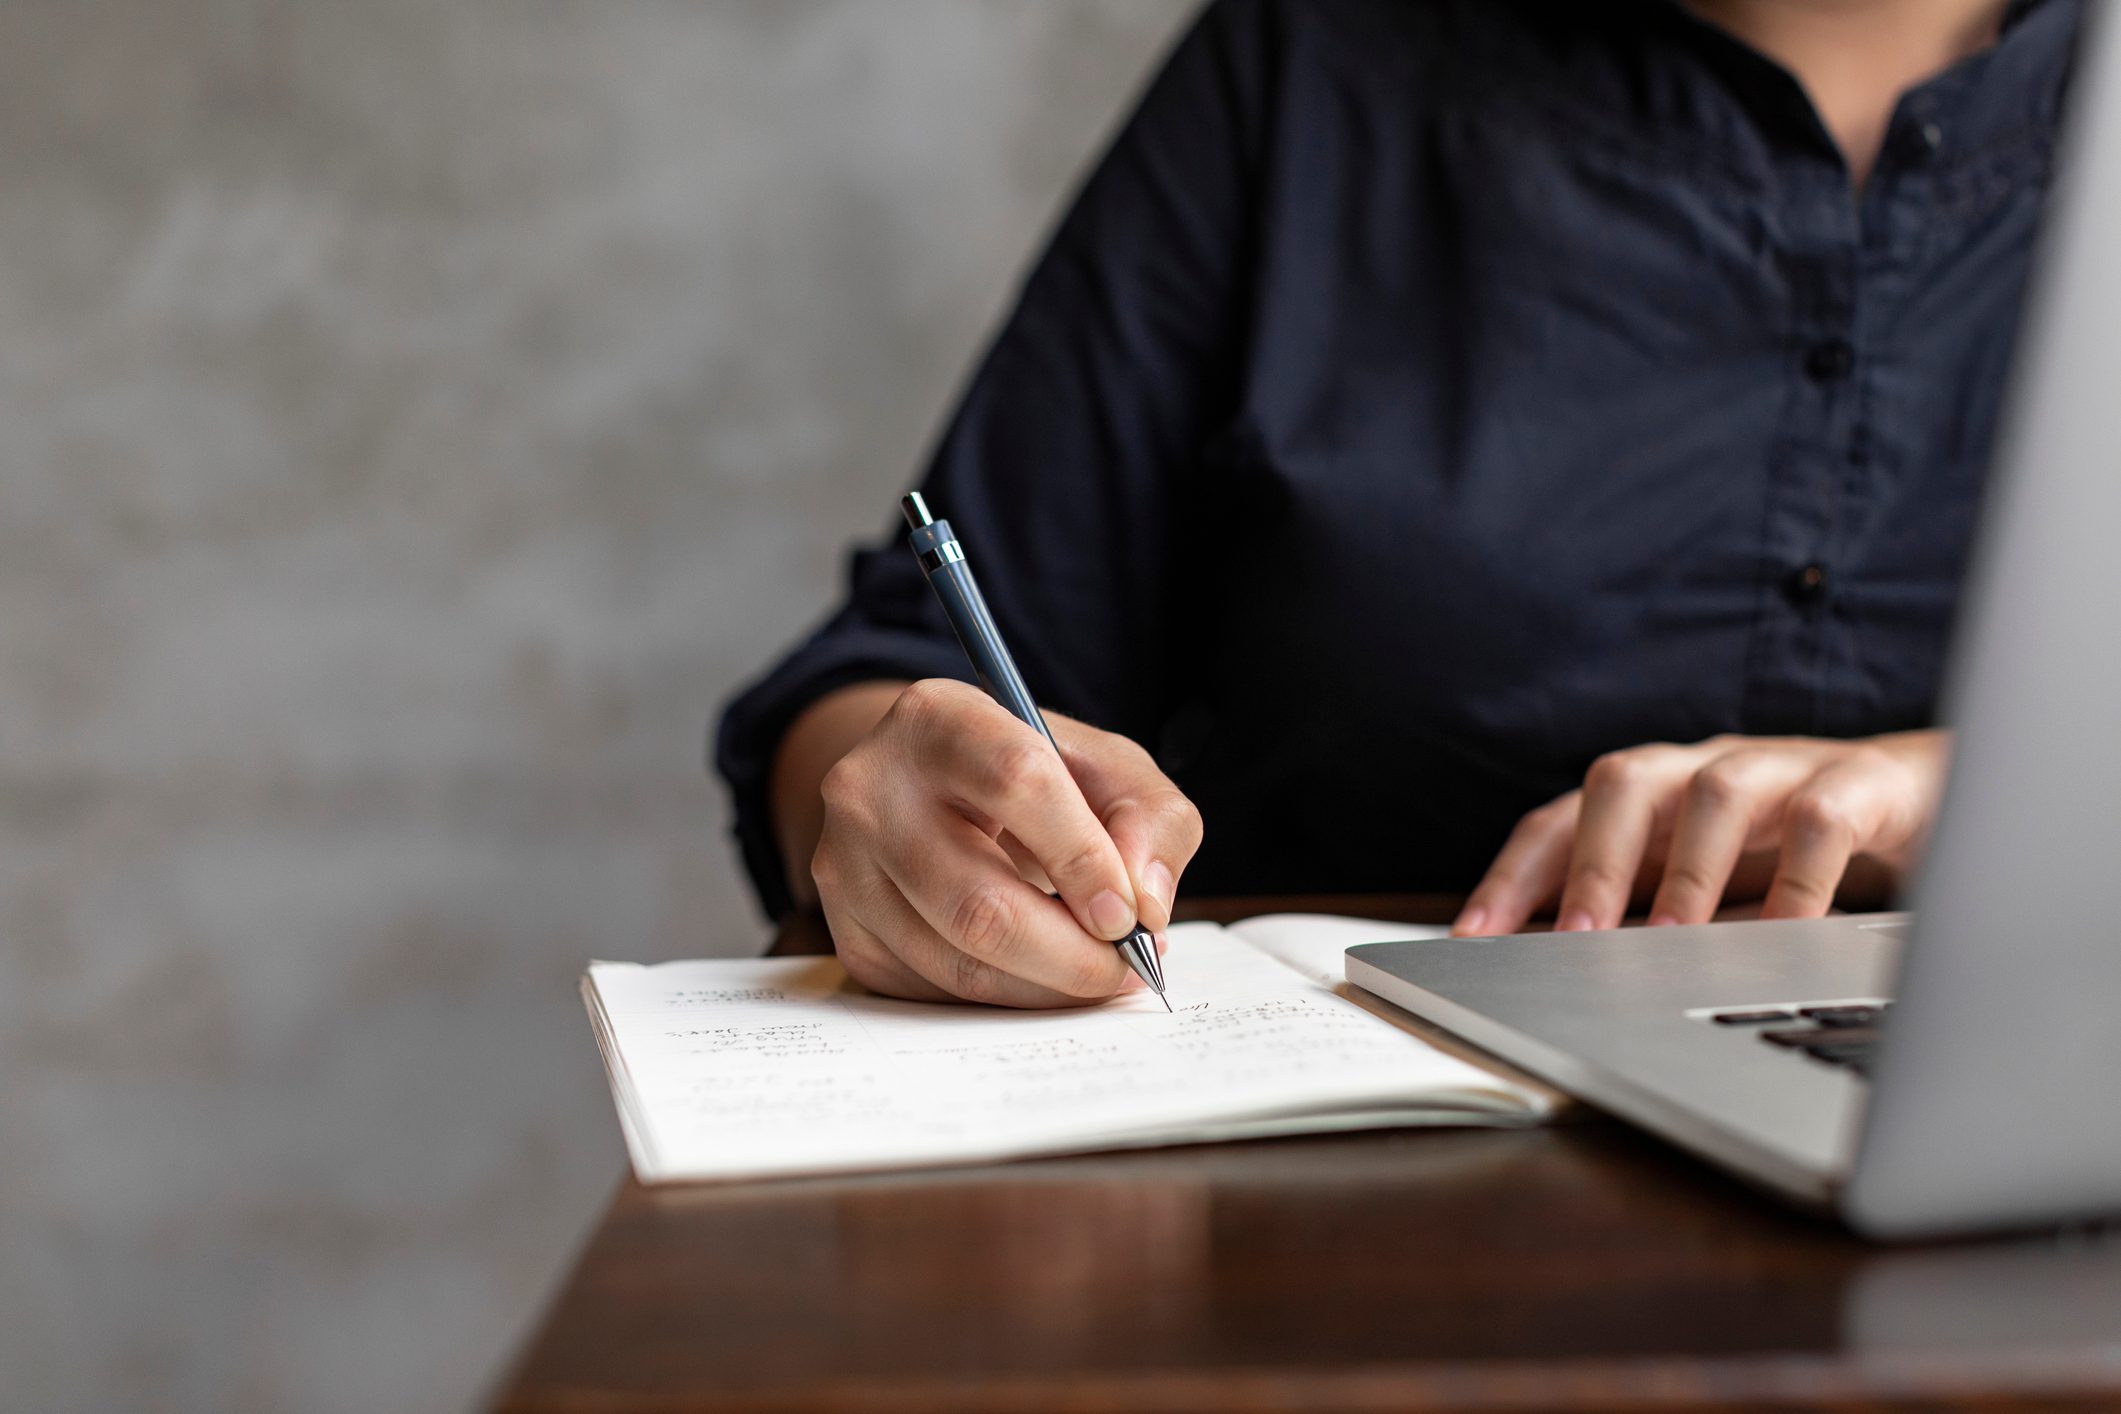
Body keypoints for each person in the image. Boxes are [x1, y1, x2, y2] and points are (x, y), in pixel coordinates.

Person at [717, 0, 2082, 1007]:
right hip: (1321, 1186)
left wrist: (1980, 795)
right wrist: (904, 816)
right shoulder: (1310, 64)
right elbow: (889, 679)